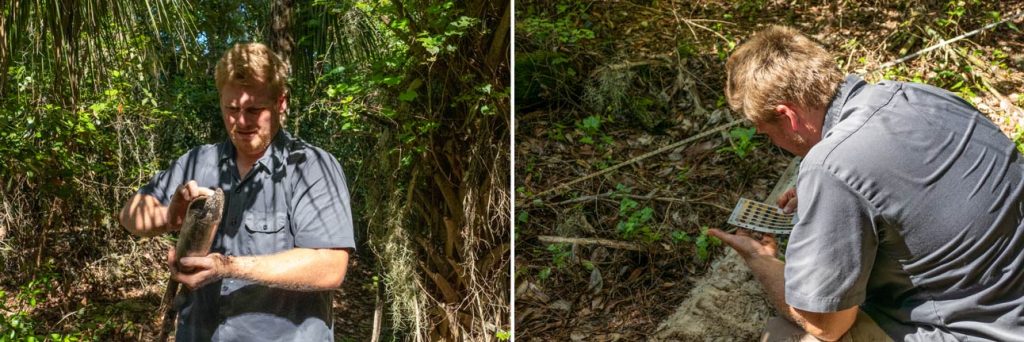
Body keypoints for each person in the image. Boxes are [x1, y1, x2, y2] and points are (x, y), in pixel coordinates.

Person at [708, 25, 1024, 341]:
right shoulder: (919, 95)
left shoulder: (831, 166)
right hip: (1009, 296)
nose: (774, 142)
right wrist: (835, 199)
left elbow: (825, 324)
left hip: (978, 331)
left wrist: (760, 259)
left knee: (786, 334)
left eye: (767, 133)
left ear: (787, 117)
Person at [119, 43, 356, 341]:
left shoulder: (310, 167)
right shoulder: (199, 161)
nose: (241, 121)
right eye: (232, 109)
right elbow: (130, 215)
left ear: (280, 103)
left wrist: (227, 267)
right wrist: (170, 215)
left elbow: (330, 266)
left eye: (254, 109)